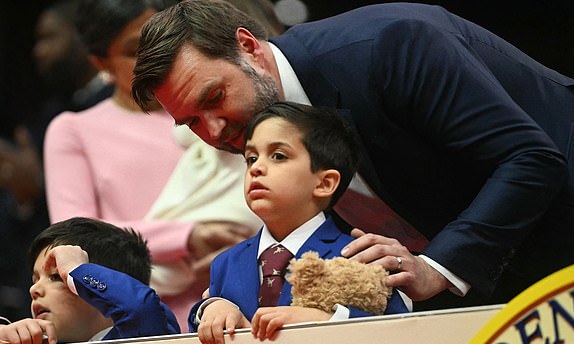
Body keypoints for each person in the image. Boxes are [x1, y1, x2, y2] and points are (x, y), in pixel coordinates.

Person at [131, 0, 574, 311]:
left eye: (214, 98)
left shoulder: (388, 44)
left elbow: (530, 157)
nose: (215, 131)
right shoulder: (265, 131)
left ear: (249, 47)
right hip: (487, 290)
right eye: (190, 122)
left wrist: (438, 268)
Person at [43, 0, 258, 329]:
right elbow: (75, 237)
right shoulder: (73, 130)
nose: (153, 61)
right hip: (135, 313)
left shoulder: (206, 110)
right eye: (133, 52)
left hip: (237, 299)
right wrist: (187, 236)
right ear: (101, 62)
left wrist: (242, 250)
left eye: (159, 46)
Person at [189, 102, 409, 344]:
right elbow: (197, 334)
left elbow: (399, 337)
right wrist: (212, 307)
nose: (257, 168)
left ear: (325, 183)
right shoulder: (226, 262)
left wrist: (328, 321)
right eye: (251, 158)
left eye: (278, 156)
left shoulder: (359, 255)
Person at [0, 0, 113, 322]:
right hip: (41, 283)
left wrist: (38, 184)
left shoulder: (117, 107)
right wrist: (24, 196)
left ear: (81, 40)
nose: (38, 51)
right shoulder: (47, 115)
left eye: (49, 38)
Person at [0, 217, 180, 344]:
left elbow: (140, 308)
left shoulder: (142, 333)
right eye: (35, 280)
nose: (34, 289)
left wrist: (78, 270)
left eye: (56, 277)